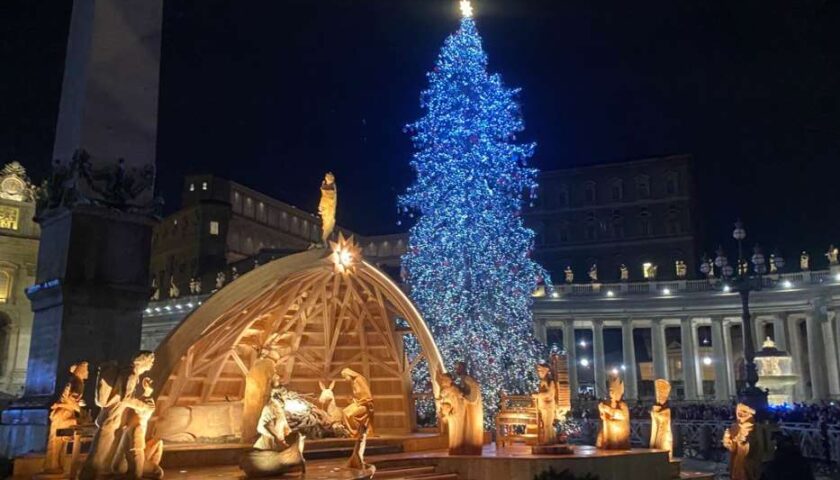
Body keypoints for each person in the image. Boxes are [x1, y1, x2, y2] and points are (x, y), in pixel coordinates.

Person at [79, 351, 155, 480]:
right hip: (110, 418)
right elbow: (126, 399)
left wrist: (147, 392)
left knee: (105, 456)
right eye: (151, 361)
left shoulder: (130, 374)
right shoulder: (130, 375)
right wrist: (144, 406)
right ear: (143, 361)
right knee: (98, 455)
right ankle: (87, 477)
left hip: (113, 419)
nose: (152, 364)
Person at [111, 377, 163, 479]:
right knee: (156, 472)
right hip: (132, 432)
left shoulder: (143, 410)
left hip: (136, 432)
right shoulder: (133, 428)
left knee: (148, 469)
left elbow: (130, 401)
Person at [44, 362, 89, 473]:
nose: (87, 372)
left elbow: (70, 399)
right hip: (64, 414)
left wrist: (78, 405)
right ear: (81, 371)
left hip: (63, 413)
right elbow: (70, 400)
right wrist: (80, 410)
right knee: (56, 442)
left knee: (59, 441)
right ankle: (52, 467)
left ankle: (55, 466)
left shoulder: (75, 381)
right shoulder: (78, 382)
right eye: (86, 370)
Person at [454, 361, 483, 455]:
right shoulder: (463, 379)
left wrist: (463, 396)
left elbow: (473, 393)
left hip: (471, 407)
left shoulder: (467, 379)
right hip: (467, 406)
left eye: (458, 368)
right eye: (456, 368)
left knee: (470, 426)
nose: (457, 370)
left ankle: (471, 447)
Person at [341, 368, 374, 438]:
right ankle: (352, 431)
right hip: (358, 403)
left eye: (345, 377)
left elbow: (368, 396)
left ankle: (358, 432)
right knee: (344, 412)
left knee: (350, 414)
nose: (344, 380)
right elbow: (358, 396)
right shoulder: (353, 382)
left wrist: (359, 402)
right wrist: (352, 400)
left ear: (349, 374)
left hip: (365, 405)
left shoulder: (359, 380)